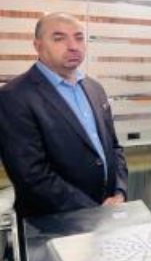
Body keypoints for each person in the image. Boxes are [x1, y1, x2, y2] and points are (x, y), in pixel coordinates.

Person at [0, 13, 128, 218]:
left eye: (79, 37)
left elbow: (114, 147)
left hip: (108, 211)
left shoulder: (94, 88)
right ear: (38, 45)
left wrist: (120, 192)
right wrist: (93, 211)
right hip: (53, 223)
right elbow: (31, 174)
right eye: (59, 38)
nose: (73, 46)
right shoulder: (14, 96)